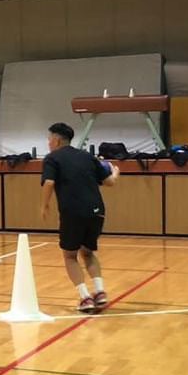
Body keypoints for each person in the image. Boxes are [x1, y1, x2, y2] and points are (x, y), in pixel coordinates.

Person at [40, 122, 120, 313]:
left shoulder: (52, 158)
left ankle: (85, 298)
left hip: (73, 212)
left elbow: (49, 182)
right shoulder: (87, 156)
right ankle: (99, 292)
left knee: (69, 255)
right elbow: (109, 182)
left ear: (56, 140)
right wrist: (116, 172)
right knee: (88, 252)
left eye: (49, 139)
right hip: (97, 211)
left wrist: (44, 205)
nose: (48, 143)